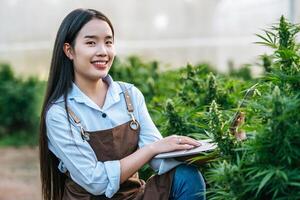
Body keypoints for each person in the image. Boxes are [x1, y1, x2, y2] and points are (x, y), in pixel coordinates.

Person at [39, 8, 206, 200]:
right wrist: (151, 149)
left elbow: (159, 160)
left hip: (134, 196)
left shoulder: (129, 95)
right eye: (91, 43)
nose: (103, 51)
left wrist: (204, 150)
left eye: (108, 42)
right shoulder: (59, 113)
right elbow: (96, 182)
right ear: (69, 50)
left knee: (187, 177)